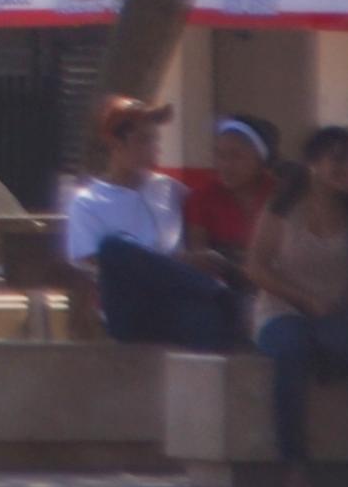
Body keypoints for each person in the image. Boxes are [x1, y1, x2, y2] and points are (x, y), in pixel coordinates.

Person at [246, 126, 348, 487]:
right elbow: (256, 267)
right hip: (281, 312)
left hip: (337, 316)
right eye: (337, 161)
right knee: (292, 351)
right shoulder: (282, 209)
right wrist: (303, 299)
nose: (347, 170)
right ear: (314, 163)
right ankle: (294, 464)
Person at [65, 97, 239, 350]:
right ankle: (214, 291)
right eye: (143, 141)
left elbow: (208, 211)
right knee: (114, 246)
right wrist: (178, 262)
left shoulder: (170, 190)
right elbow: (99, 263)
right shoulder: (89, 202)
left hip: (176, 299)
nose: (153, 149)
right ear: (115, 143)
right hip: (130, 308)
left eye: (155, 140)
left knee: (206, 320)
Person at [178, 115, 281, 289]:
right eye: (220, 155)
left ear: (260, 160)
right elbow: (200, 255)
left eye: (236, 156)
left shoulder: (281, 195)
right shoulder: (202, 198)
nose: (225, 165)